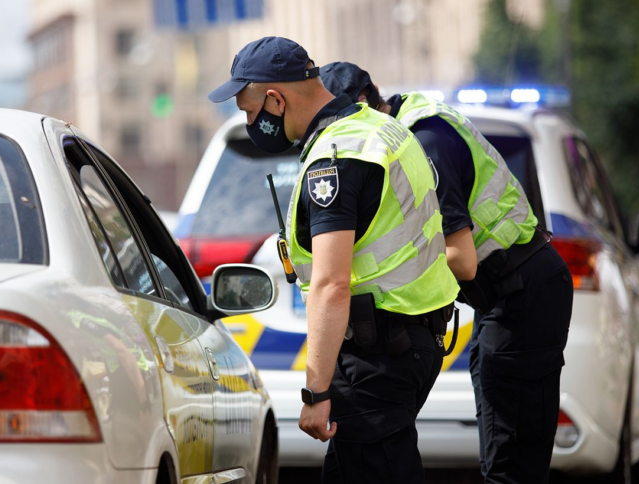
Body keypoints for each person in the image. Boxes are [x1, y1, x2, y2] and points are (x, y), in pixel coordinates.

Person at [208, 37, 460, 483]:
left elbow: (330, 283)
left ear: (275, 99)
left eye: (249, 112)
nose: (250, 122)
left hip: (378, 353)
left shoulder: (336, 160)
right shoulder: (379, 129)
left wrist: (316, 391)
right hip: (411, 339)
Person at [320, 61, 574, 483]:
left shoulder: (421, 142)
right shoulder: (401, 133)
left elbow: (462, 258)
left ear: (365, 103)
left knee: (511, 465)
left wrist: (382, 286)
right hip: (505, 296)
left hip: (523, 292)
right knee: (502, 445)